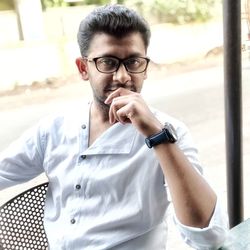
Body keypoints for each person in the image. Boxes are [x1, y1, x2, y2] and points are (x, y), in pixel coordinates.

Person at [0, 4, 228, 250]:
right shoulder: (53, 131)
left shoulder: (170, 133)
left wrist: (157, 135)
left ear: (146, 67)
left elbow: (209, 237)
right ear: (83, 68)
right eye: (108, 62)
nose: (122, 76)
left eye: (133, 62)